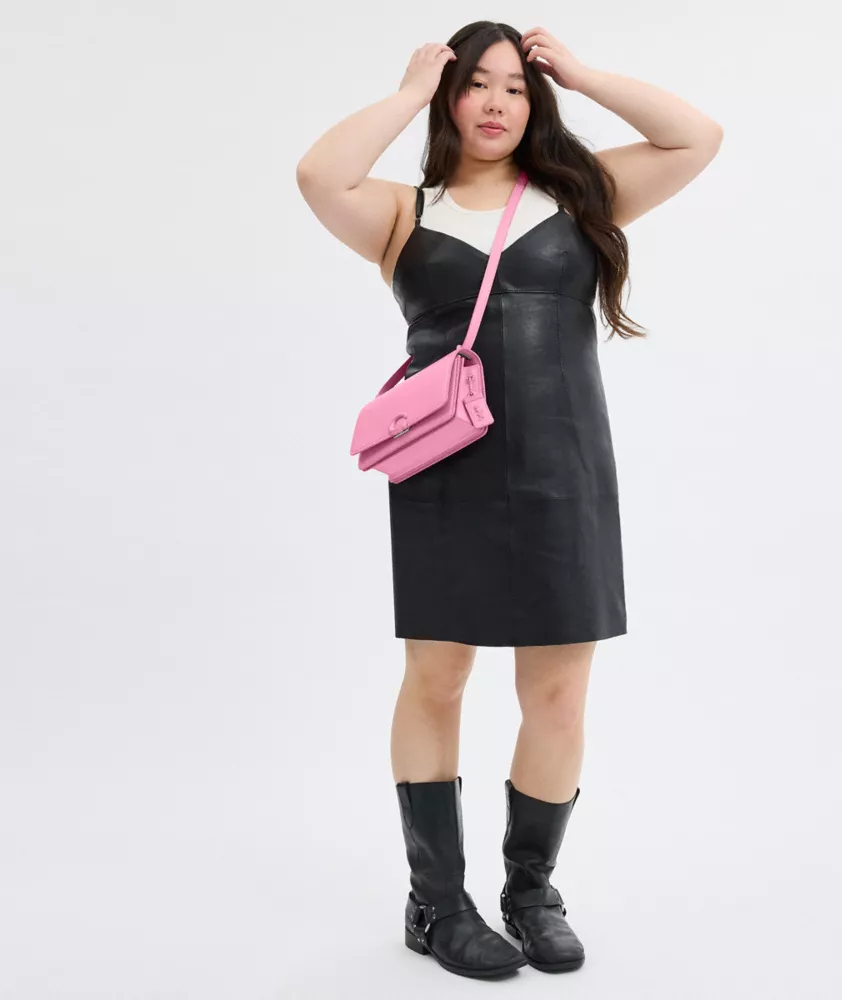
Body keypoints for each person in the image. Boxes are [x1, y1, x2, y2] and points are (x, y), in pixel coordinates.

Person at [296, 20, 723, 980]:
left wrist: (581, 72)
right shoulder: (403, 213)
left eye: (515, 88)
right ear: (450, 99)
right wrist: (409, 91)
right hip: (447, 474)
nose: (495, 103)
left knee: (559, 693)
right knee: (437, 679)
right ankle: (437, 903)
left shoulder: (579, 196)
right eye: (476, 84)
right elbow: (320, 175)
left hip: (567, 470)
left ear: (537, 104)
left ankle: (531, 894)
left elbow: (696, 137)